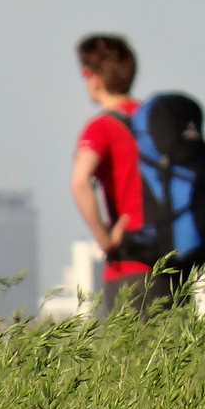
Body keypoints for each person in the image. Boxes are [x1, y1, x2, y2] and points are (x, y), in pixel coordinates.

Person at [69, 34, 165, 316]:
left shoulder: (102, 127)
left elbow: (79, 180)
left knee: (132, 360)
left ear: (94, 78)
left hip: (130, 266)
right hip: (174, 264)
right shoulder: (156, 122)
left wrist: (105, 240)